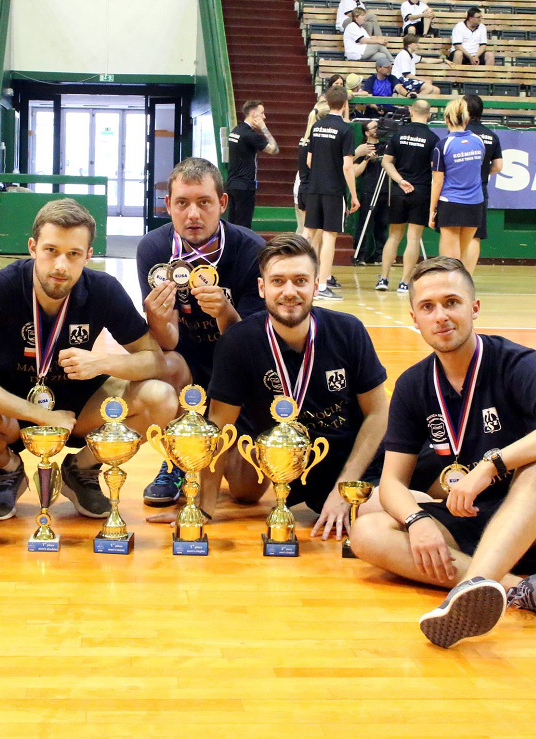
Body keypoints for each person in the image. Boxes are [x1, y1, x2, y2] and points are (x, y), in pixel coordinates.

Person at [349, 257, 536, 648]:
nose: (441, 316)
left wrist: (491, 465)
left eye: (451, 302)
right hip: (476, 521)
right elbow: (393, 481)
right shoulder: (414, 385)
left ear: (474, 308)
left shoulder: (513, 361)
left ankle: (470, 589)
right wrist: (415, 520)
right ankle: (519, 589)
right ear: (415, 318)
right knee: (367, 531)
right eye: (428, 307)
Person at [0, 199, 178, 521]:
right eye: (51, 251)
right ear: (32, 247)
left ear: (88, 255)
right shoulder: (3, 286)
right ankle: (8, 471)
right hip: (10, 411)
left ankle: (82, 469)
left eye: (73, 254)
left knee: (161, 397)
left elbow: (154, 360)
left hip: (79, 411)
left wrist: (102, 363)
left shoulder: (103, 289)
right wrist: (40, 416)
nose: (60, 266)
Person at [148, 234, 390, 538]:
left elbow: (379, 413)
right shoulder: (239, 341)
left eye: (300, 280)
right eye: (278, 281)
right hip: (302, 474)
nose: (290, 292)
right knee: (245, 491)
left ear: (316, 285)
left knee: (404, 508)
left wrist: (345, 491)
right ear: (262, 288)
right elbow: (220, 428)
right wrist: (202, 507)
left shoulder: (349, 330)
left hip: (360, 464)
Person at [137, 158, 266, 505]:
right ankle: (177, 460)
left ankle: (214, 454)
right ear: (168, 206)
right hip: (187, 368)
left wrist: (225, 312)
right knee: (168, 362)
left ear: (222, 204)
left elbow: (253, 344)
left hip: (239, 370)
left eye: (204, 202)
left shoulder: (251, 249)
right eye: (182, 203)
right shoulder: (153, 249)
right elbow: (168, 342)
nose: (193, 214)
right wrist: (156, 319)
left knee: (245, 493)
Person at [303, 84, 361, 301]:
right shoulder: (347, 129)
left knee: (309, 234)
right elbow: (348, 166)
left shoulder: (317, 127)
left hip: (314, 188)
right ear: (345, 104)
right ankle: (323, 284)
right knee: (329, 237)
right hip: (333, 189)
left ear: (327, 102)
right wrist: (354, 195)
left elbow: (309, 160)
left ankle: (303, 278)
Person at [378, 98, 439, 292]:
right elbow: (435, 169)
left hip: (399, 190)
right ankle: (404, 283)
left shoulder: (399, 134)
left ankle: (383, 279)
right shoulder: (433, 139)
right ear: (429, 115)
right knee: (413, 238)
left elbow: (386, 162)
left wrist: (399, 180)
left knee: (394, 236)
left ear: (411, 112)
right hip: (421, 191)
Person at [430, 98, 485, 267]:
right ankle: (463, 290)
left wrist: (432, 210)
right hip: (475, 204)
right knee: (462, 254)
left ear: (447, 119)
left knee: (450, 261)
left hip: (451, 204)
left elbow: (437, 182)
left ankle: (453, 291)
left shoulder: (443, 145)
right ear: (467, 120)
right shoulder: (478, 141)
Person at [461, 94, 504, 274]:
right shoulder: (491, 135)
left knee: (454, 234)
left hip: (457, 189)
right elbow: (499, 166)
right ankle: (467, 278)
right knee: (474, 236)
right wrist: (484, 172)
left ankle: (453, 277)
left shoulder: (459, 132)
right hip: (479, 190)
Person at [226, 100, 279, 229]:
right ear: (254, 114)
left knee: (232, 225)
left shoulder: (236, 130)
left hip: (232, 184)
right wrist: (263, 127)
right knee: (243, 227)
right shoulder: (250, 135)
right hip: (245, 186)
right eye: (262, 113)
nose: (264, 117)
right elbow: (274, 149)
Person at [351, 119, 391, 264]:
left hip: (386, 190)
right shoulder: (363, 148)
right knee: (365, 224)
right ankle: (359, 254)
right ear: (367, 132)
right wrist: (367, 159)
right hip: (369, 190)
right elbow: (355, 172)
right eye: (374, 127)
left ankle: (380, 255)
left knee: (382, 225)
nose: (377, 129)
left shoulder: (387, 146)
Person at [294, 102, 330, 236]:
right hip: (313, 191)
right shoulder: (317, 142)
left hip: (303, 188)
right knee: (312, 236)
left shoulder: (304, 139)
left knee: (308, 233)